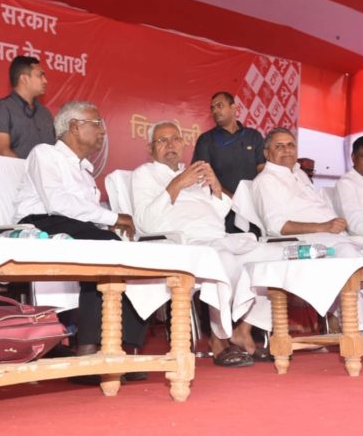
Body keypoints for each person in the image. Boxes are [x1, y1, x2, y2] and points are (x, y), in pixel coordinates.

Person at [12, 100, 147, 366]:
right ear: (74, 126)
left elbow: (84, 213)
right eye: (97, 124)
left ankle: (121, 346)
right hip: (40, 222)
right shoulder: (45, 154)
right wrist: (113, 218)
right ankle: (88, 349)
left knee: (123, 251)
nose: (103, 131)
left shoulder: (84, 170)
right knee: (105, 248)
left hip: (69, 223)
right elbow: (58, 202)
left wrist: (107, 222)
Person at [132, 121, 272, 366]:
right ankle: (218, 339)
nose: (170, 145)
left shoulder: (194, 173)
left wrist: (216, 190)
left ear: (183, 144)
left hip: (216, 237)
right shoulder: (145, 173)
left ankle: (243, 330)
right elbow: (145, 222)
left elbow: (215, 215)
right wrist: (177, 184)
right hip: (183, 242)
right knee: (222, 259)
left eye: (175, 139)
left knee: (268, 257)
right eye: (162, 140)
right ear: (150, 148)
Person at [252, 128, 347, 238]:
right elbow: (275, 226)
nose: (287, 150)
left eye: (291, 145)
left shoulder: (299, 172)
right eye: (279, 146)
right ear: (266, 153)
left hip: (335, 236)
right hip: (309, 241)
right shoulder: (266, 180)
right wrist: (323, 227)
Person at [192, 91, 265, 233]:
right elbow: (203, 176)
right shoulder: (206, 140)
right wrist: (233, 199)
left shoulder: (253, 136)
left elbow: (262, 171)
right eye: (212, 108)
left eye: (219, 106)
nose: (215, 111)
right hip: (223, 210)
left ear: (233, 107)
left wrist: (254, 200)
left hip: (254, 209)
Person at [0, 55, 55, 158]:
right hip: (13, 168)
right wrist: (28, 167)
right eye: (40, 76)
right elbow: (3, 151)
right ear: (24, 79)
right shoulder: (2, 108)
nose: (45, 81)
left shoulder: (45, 114)